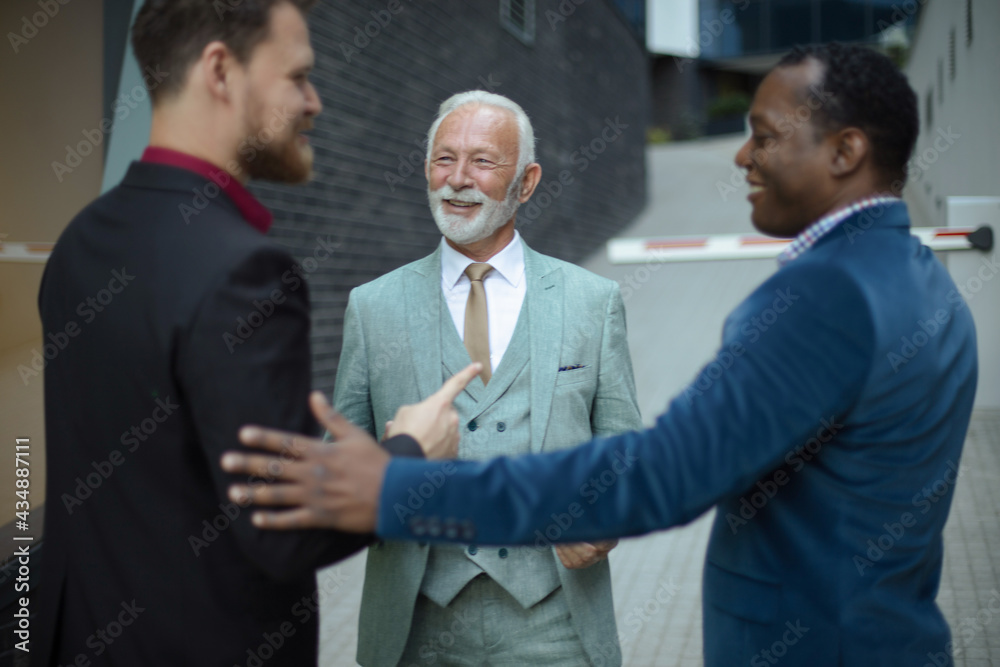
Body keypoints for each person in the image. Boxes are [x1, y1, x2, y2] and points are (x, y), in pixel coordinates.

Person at [222, 43, 979, 665]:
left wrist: (403, 489)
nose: (742, 155)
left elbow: (661, 471)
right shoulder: (924, 284)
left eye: (767, 134)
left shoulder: (827, 297)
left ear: (846, 150)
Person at [35, 1, 474, 664]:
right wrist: (411, 454)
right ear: (220, 70)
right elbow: (281, 531)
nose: (315, 101)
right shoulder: (246, 272)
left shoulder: (79, 243)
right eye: (298, 76)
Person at [333, 91, 641, 666]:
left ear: (525, 182)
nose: (457, 179)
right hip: (416, 622)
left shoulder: (591, 301)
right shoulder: (373, 307)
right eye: (444, 159)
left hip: (556, 621)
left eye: (482, 161)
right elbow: (340, 467)